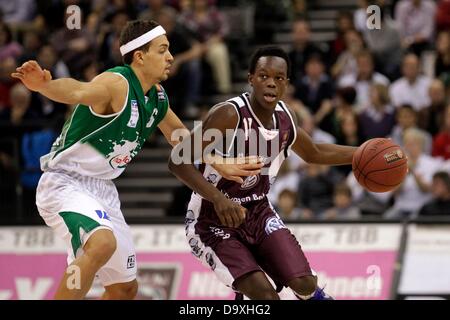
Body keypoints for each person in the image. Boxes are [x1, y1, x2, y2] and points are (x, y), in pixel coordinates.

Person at [11, 20, 262, 300]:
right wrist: (45, 86)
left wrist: (217, 160)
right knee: (102, 243)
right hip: (66, 182)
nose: (170, 57)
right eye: (163, 50)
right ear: (140, 56)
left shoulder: (156, 96)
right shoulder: (116, 83)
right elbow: (77, 91)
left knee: (124, 289)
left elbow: (180, 137)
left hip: (103, 189)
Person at [169, 46, 358, 300]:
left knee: (304, 283)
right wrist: (219, 198)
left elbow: (314, 152)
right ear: (250, 79)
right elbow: (177, 161)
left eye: (278, 78)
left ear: (287, 84)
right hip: (211, 220)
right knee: (265, 296)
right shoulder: (228, 114)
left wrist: (362, 153)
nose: (271, 84)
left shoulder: (285, 118)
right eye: (263, 76)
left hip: (258, 211)